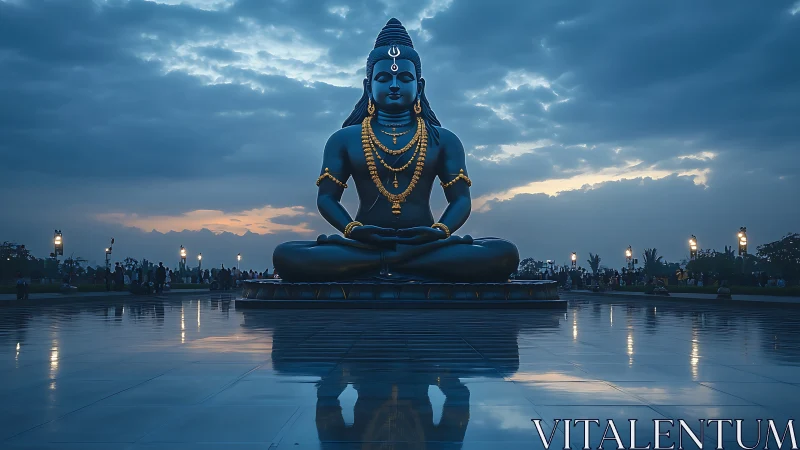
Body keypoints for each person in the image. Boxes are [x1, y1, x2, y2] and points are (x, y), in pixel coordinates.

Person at [271, 18, 518, 283]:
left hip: (426, 243)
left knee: (503, 253)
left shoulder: (443, 140)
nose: (394, 85)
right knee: (286, 255)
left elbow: (460, 200)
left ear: (419, 87)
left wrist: (439, 231)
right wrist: (352, 230)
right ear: (368, 86)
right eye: (384, 77)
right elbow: (327, 199)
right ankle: (405, 264)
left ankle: (385, 263)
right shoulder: (344, 139)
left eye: (404, 77)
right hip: (363, 243)